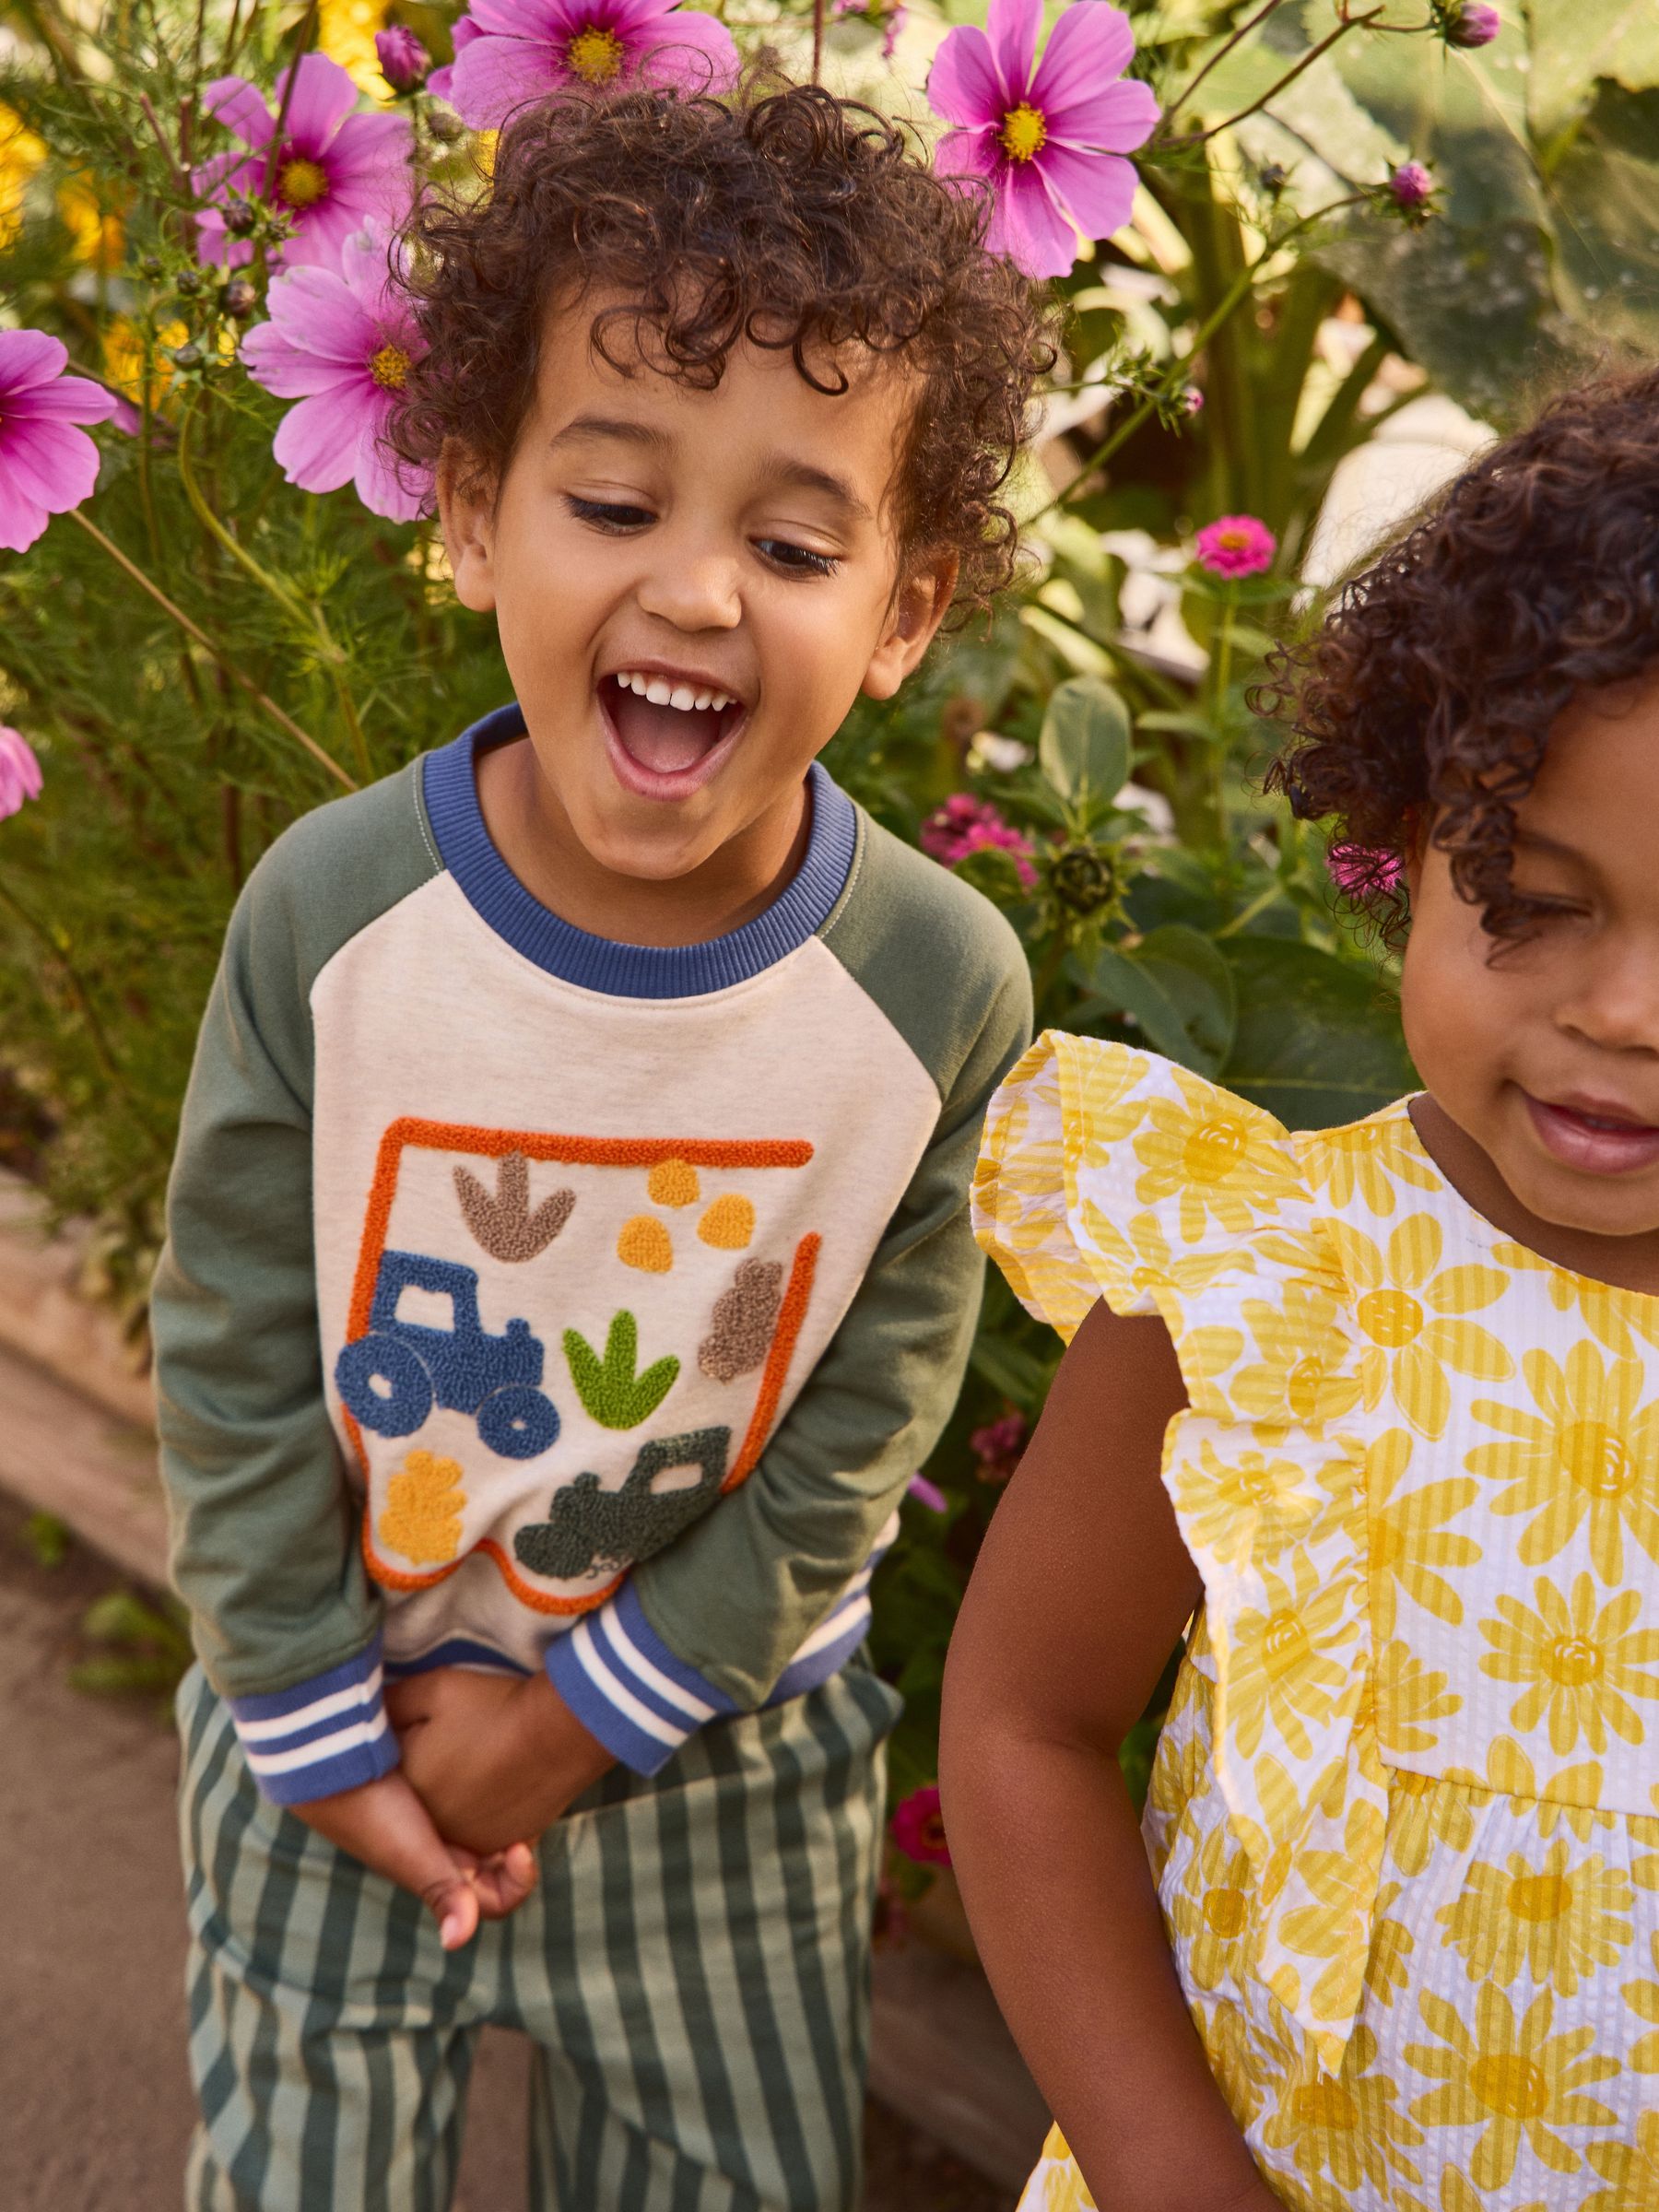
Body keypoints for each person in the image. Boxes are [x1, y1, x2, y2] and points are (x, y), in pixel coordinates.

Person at [151, 80, 1044, 2211]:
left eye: (798, 545)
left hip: (717, 1768)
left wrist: (596, 1713)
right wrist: (304, 1714)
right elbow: (233, 1326)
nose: (702, 591)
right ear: (470, 517)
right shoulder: (332, 916)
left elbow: (870, 1410)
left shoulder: (936, 987)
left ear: (908, 609)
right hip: (324, 1722)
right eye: (615, 503)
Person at [945, 367, 1659, 2212]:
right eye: (1535, 897)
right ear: (1409, 836)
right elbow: (1024, 1726)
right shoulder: (1261, 1274)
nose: (1623, 1013)